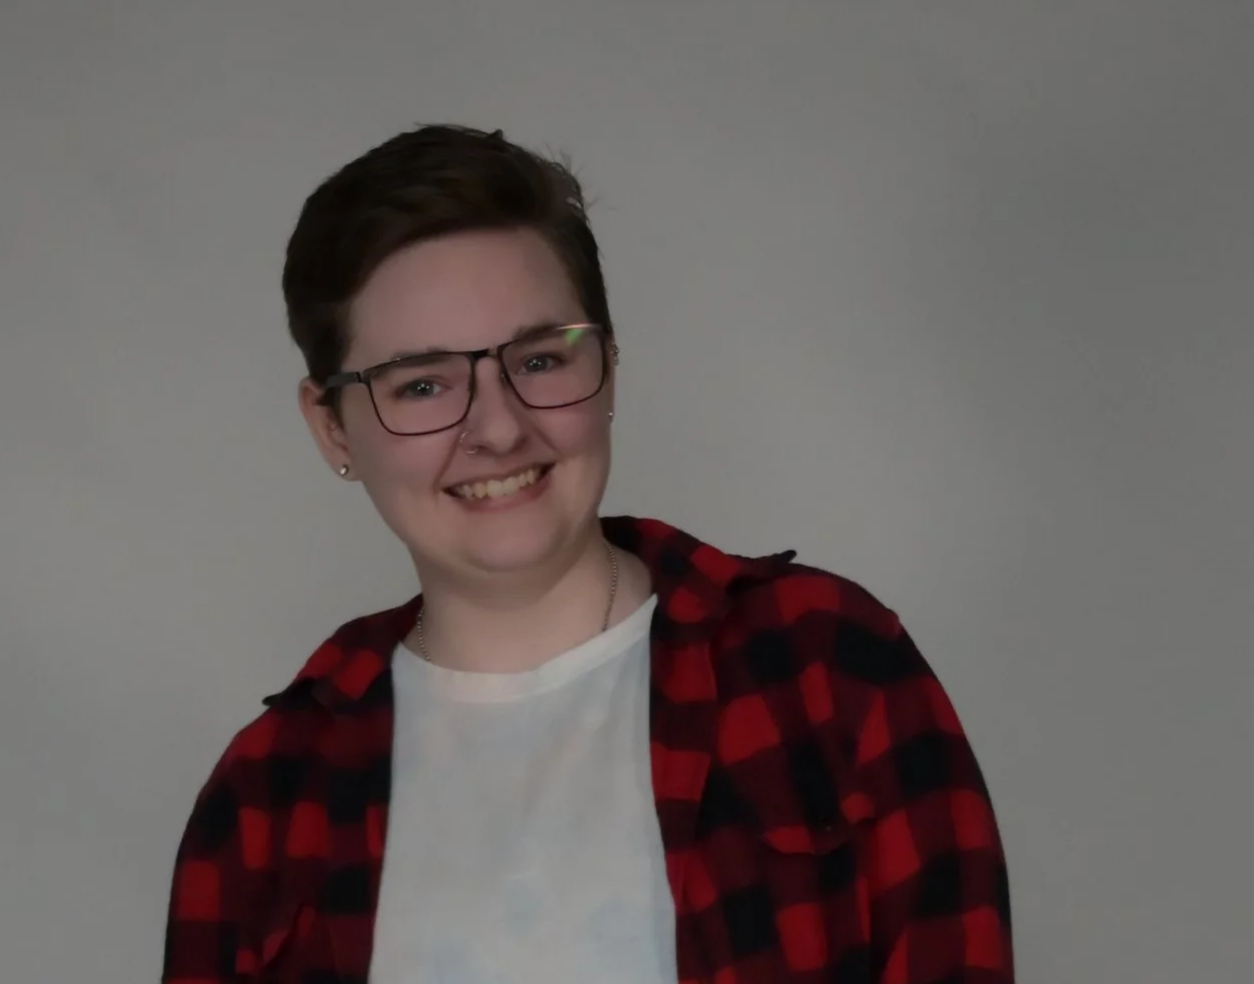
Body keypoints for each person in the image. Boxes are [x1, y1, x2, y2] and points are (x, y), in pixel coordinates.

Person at [160, 124, 1012, 984]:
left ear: (609, 366)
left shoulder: (827, 670)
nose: (497, 427)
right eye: (422, 384)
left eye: (539, 360)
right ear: (332, 426)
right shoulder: (266, 800)